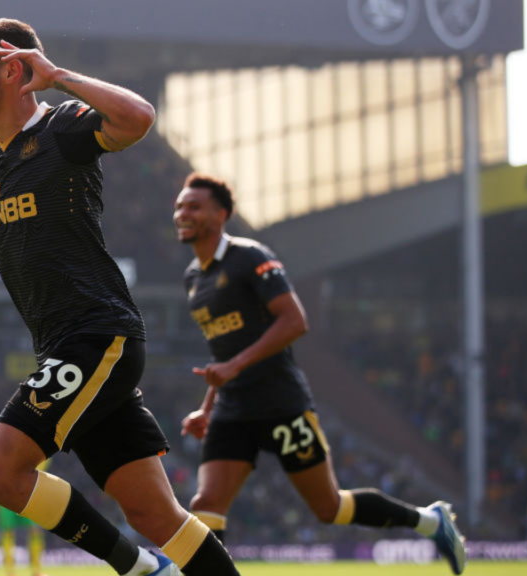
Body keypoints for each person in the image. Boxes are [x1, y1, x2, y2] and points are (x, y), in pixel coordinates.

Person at [0, 18, 240, 576]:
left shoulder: (61, 128)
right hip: (68, 347)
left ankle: (141, 569)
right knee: (152, 511)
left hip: (96, 336)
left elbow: (139, 118)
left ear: (12, 69)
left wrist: (59, 76)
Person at [173, 173, 467, 574]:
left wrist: (235, 366)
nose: (182, 213)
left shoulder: (251, 257)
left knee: (329, 507)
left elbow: (295, 321)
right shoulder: (194, 277)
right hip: (232, 407)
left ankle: (430, 521)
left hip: (279, 402)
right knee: (206, 504)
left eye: (194, 206)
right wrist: (207, 408)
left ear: (221, 214)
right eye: (179, 206)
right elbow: (223, 351)